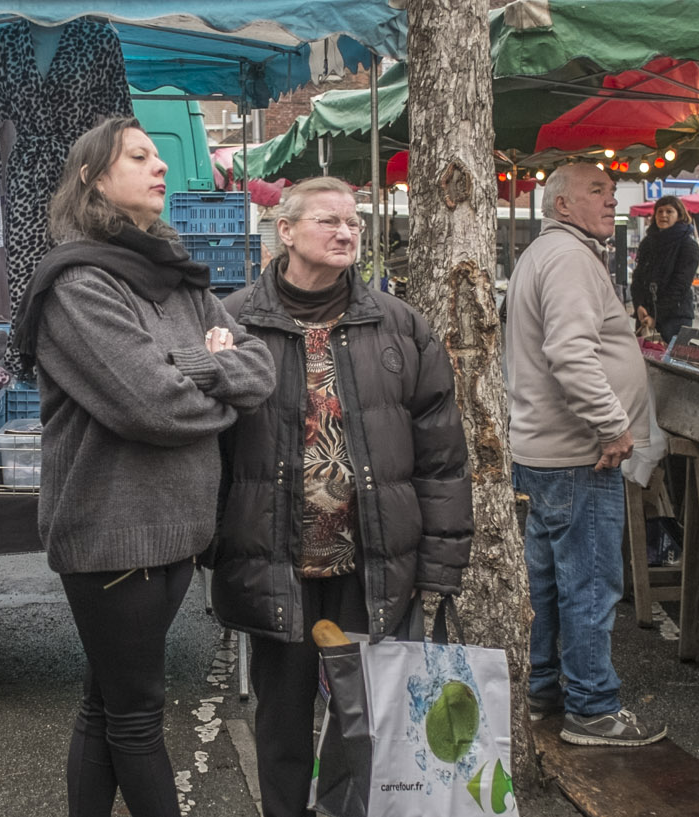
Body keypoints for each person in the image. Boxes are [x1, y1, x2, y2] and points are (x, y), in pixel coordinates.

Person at [14, 115, 275, 817]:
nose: (160, 166)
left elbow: (259, 366)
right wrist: (212, 368)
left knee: (106, 705)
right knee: (136, 714)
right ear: (92, 178)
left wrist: (202, 368)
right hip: (110, 532)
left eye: (159, 155)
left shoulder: (176, 277)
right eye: (139, 156)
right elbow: (149, 404)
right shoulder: (75, 283)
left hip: (179, 530)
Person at [211, 176, 472, 816]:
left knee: (371, 728)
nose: (346, 232)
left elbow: (441, 454)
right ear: (287, 230)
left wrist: (439, 567)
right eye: (329, 220)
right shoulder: (234, 321)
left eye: (353, 222)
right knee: (282, 727)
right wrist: (210, 546)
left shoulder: (400, 326)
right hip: (275, 565)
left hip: (373, 565)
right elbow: (205, 454)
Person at [505, 163, 665, 747]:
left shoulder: (547, 254)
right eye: (596, 190)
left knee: (548, 581)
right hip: (579, 454)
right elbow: (569, 353)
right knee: (590, 584)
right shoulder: (570, 258)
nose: (611, 199)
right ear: (562, 204)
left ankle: (546, 688)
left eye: (612, 190)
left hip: (548, 453)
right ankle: (593, 708)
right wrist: (613, 425)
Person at [630, 195, 699, 341]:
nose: (663, 215)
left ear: (679, 215)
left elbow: (680, 286)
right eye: (660, 211)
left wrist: (656, 316)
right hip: (646, 315)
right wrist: (639, 305)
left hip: (674, 318)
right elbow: (638, 277)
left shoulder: (688, 245)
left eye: (669, 212)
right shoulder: (648, 243)